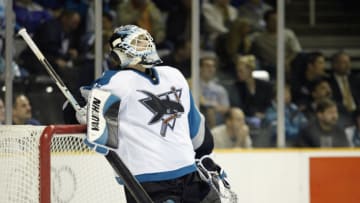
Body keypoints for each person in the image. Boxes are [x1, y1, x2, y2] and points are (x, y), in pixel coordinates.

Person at [64, 25, 231, 203]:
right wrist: (84, 113)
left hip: (188, 173)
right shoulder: (116, 82)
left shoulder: (174, 75)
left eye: (146, 39)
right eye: (138, 42)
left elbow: (197, 130)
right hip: (149, 183)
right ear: (122, 50)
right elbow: (73, 111)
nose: (146, 45)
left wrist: (205, 157)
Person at [199, 52, 230, 128]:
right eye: (207, 66)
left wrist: (213, 108)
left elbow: (226, 108)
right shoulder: (191, 84)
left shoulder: (220, 89)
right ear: (200, 68)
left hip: (216, 121)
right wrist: (212, 104)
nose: (211, 69)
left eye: (213, 66)